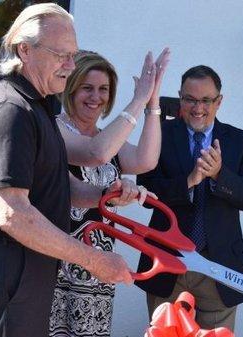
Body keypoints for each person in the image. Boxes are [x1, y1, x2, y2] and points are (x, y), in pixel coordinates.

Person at [0, 4, 145, 337]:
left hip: (28, 261)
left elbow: (54, 183)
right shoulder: (10, 109)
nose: (71, 66)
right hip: (9, 263)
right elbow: (13, 214)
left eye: (72, 56)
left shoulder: (37, 105)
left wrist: (105, 195)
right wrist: (94, 259)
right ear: (25, 50)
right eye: (61, 55)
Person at [48, 49, 169, 337]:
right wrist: (137, 100)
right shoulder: (54, 129)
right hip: (57, 267)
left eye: (103, 89)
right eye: (87, 88)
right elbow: (97, 155)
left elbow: (146, 159)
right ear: (71, 87)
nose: (96, 97)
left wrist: (153, 103)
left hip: (99, 272)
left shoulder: (105, 136)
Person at [135, 65, 243, 330]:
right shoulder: (161, 135)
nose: (198, 108)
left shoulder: (240, 141)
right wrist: (188, 182)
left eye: (206, 100)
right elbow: (145, 189)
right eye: (190, 99)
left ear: (219, 101)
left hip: (217, 265)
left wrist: (219, 175)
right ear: (180, 97)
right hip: (168, 260)